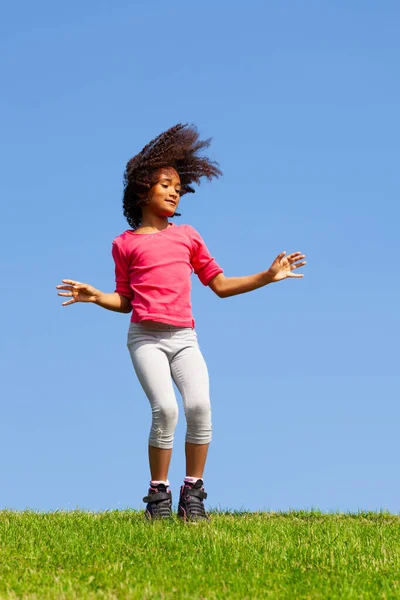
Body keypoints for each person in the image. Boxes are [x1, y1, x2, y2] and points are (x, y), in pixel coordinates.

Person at [56, 123, 306, 521]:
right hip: (145, 339)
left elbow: (220, 285)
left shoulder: (188, 236)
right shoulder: (124, 243)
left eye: (178, 186)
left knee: (200, 406)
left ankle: (193, 493)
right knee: (166, 411)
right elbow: (126, 300)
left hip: (184, 338)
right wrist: (96, 296)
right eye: (166, 184)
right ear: (143, 190)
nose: (175, 191)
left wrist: (266, 275)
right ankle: (158, 496)